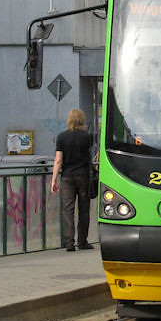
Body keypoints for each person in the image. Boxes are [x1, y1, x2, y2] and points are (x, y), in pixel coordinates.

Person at [51, 108, 94, 252]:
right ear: (82, 120)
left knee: (68, 210)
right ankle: (82, 241)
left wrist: (54, 180)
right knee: (84, 209)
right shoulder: (87, 137)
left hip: (67, 177)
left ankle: (69, 242)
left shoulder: (62, 137)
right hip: (83, 177)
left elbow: (58, 160)